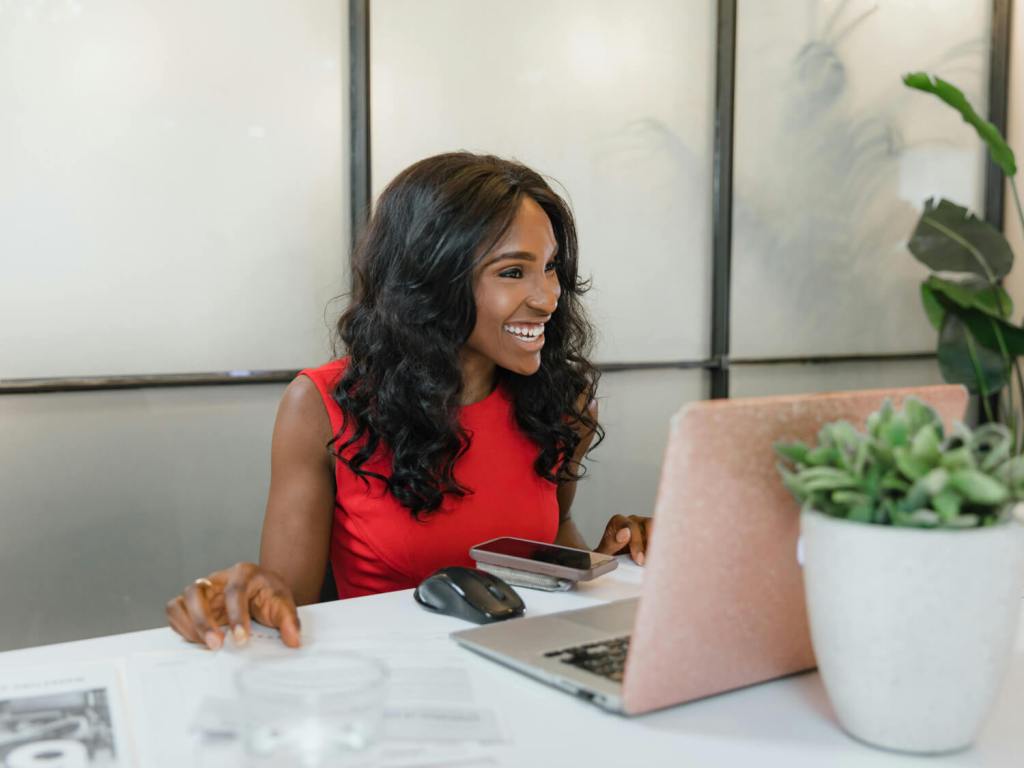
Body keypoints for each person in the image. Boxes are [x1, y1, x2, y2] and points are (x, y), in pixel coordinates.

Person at [165, 152, 653, 650]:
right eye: (512, 273)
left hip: (525, 673)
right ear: (432, 280)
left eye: (550, 268)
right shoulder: (320, 407)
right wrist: (248, 593)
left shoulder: (563, 402)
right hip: (387, 684)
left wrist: (614, 560)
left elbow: (553, 537)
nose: (548, 297)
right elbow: (286, 603)